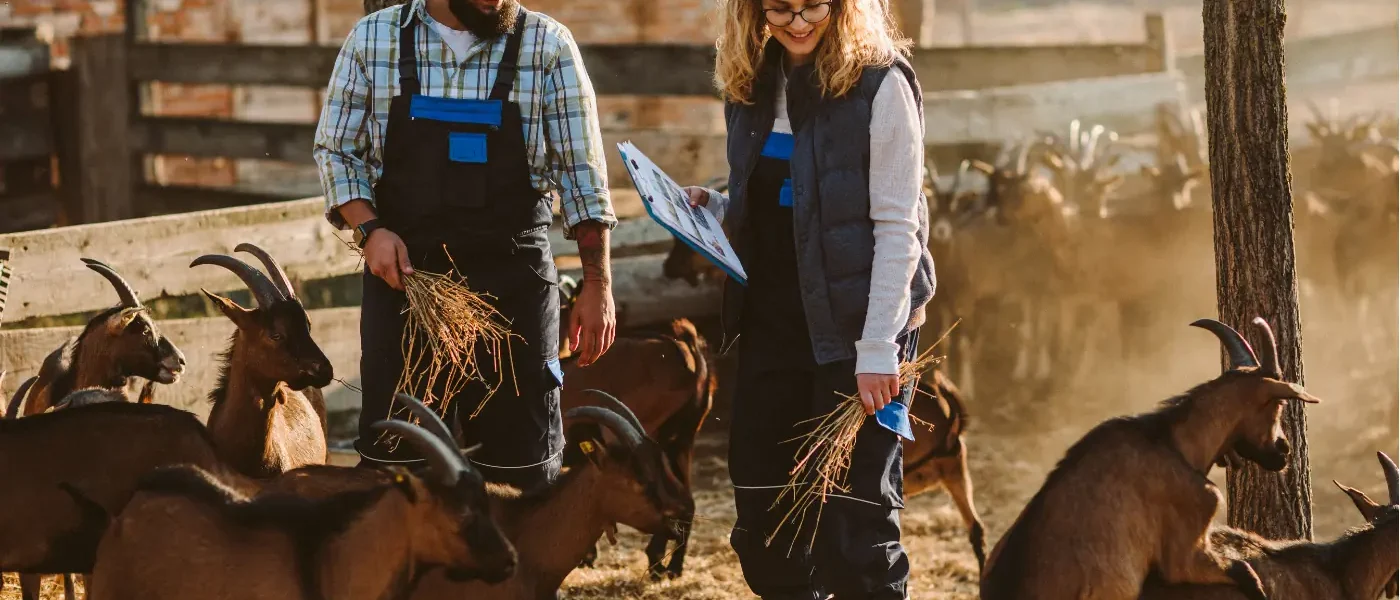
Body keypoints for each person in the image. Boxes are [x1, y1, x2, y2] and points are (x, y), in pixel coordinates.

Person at [683, 0, 935, 597]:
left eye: (813, 6)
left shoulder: (881, 84)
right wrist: (715, 210)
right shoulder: (751, 85)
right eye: (779, 8)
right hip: (773, 324)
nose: (797, 21)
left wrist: (876, 349)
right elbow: (788, 203)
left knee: (855, 527)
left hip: (859, 332)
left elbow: (900, 228)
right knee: (763, 518)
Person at [313, 0, 618, 489]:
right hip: (410, 284)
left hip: (513, 290)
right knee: (400, 472)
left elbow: (583, 178)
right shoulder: (374, 40)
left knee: (521, 466)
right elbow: (336, 150)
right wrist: (370, 229)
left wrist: (597, 283)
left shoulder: (548, 46)